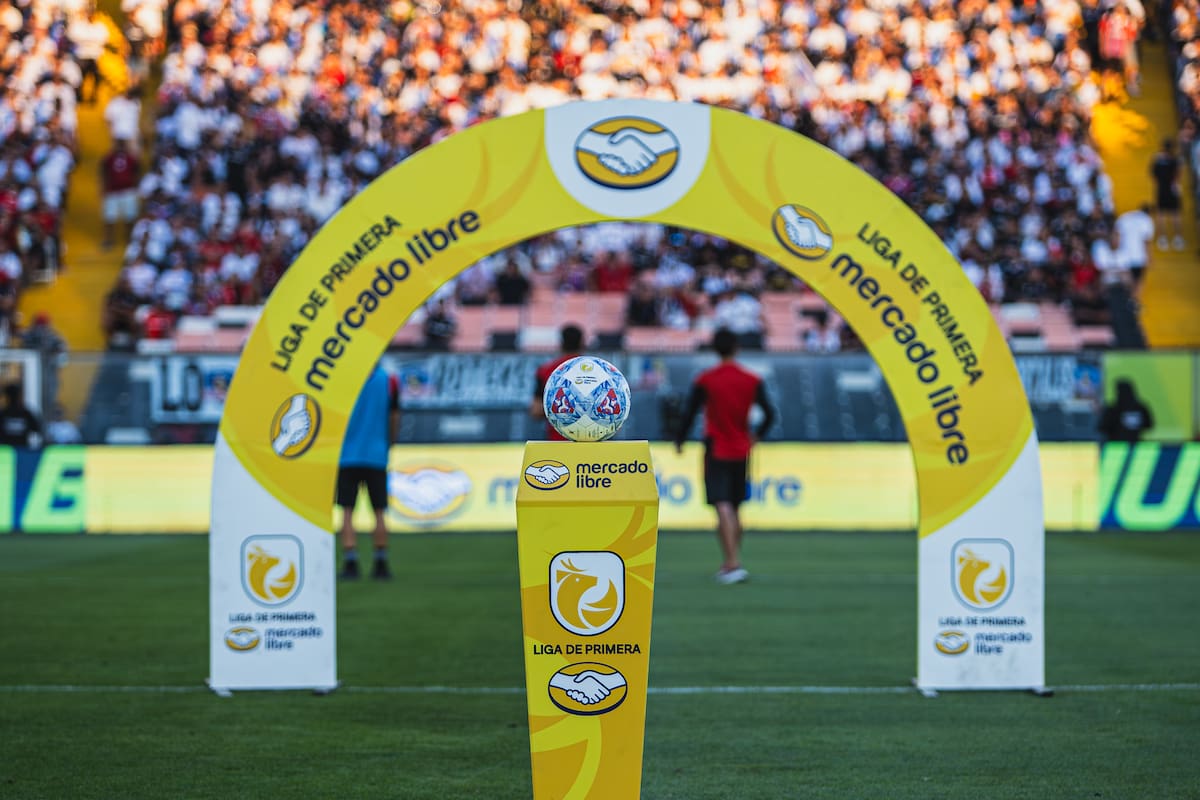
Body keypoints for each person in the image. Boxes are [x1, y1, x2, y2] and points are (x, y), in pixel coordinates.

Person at [674, 327, 775, 584]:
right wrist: (756, 435)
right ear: (736, 348)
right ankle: (731, 560)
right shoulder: (751, 379)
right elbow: (770, 413)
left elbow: (689, 413)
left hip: (717, 447)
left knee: (722, 504)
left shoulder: (706, 380)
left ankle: (733, 563)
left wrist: (679, 440)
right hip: (742, 448)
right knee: (736, 506)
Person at [336, 362, 400, 580]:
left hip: (347, 454)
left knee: (346, 511)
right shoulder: (388, 379)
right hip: (376, 454)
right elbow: (394, 416)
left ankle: (351, 563)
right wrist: (389, 442)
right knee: (380, 511)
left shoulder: (344, 378)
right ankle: (381, 563)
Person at [530, 323, 584, 441]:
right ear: (582, 343)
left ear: (561, 343)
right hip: (591, 440)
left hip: (557, 442)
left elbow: (536, 410)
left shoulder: (546, 371)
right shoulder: (595, 371)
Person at [100, 139, 141, 249]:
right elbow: (103, 169)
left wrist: (135, 185)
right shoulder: (109, 158)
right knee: (109, 217)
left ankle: (129, 239)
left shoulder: (130, 158)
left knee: (129, 216)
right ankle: (109, 239)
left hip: (128, 189)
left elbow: (137, 170)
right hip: (112, 190)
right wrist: (103, 187)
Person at [1150, 138, 1184, 251]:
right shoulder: (1175, 159)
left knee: (1161, 214)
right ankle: (1178, 238)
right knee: (1175, 214)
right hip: (1172, 188)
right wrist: (1176, 184)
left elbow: (1153, 174)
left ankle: (1162, 238)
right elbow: (1178, 173)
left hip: (1161, 189)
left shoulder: (1157, 159)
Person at [0, 383, 43, 449]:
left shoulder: (26, 414)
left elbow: (38, 429)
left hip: (20, 452)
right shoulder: (3, 414)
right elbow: (39, 430)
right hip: (8, 452)